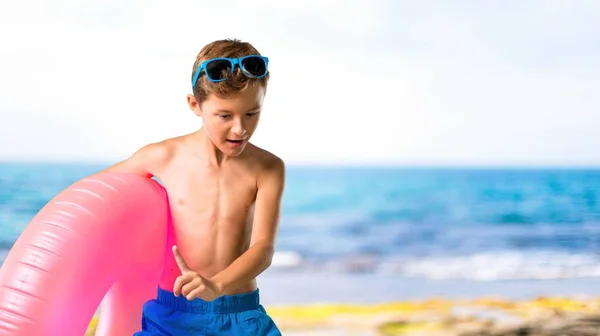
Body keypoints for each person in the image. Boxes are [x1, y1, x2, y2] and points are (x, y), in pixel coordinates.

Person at [102, 39, 283, 335]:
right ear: (195, 105)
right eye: (225, 116)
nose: (240, 128)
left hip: (240, 315)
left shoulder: (268, 168)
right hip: (173, 314)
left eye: (252, 113)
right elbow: (94, 196)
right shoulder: (164, 157)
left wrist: (217, 285)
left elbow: (263, 249)